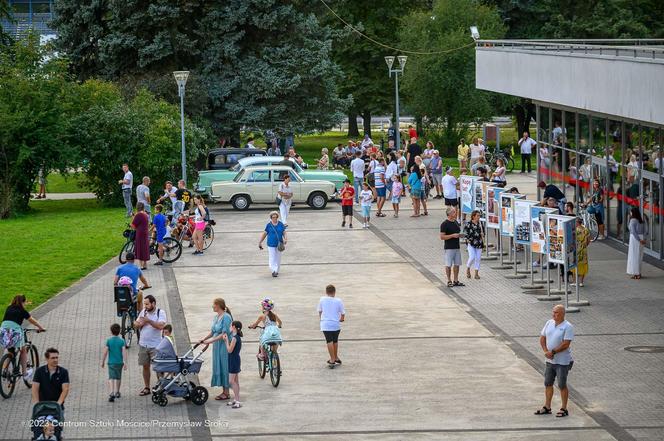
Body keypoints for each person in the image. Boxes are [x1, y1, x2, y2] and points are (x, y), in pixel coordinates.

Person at [535, 305, 574, 418]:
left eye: (556, 312)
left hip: (562, 362)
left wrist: (553, 352)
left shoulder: (568, 327)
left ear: (562, 314)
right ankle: (547, 406)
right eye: (553, 312)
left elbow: (566, 344)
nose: (553, 314)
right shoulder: (549, 323)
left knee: (562, 384)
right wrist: (546, 351)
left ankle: (564, 408)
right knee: (548, 383)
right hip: (550, 361)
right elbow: (542, 338)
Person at [0, 295, 46, 381]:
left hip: (3, 331)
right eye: (25, 302)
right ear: (22, 302)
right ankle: (25, 374)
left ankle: (4, 370)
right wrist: (41, 328)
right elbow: (32, 320)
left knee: (10, 350)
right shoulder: (22, 310)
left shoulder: (9, 307)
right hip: (14, 331)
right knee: (23, 350)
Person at [134, 294, 166, 396]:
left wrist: (149, 321)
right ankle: (147, 387)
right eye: (144, 304)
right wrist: (138, 324)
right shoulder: (143, 312)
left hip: (155, 346)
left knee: (159, 367)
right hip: (143, 345)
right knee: (145, 367)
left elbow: (161, 326)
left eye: (147, 304)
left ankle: (161, 387)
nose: (145, 306)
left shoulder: (160, 312)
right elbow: (136, 323)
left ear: (153, 303)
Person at [200, 298, 232, 401]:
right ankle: (224, 391)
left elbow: (224, 333)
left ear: (218, 305)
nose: (212, 306)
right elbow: (213, 332)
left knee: (224, 365)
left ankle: (226, 392)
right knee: (219, 365)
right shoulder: (216, 317)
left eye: (214, 305)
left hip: (224, 345)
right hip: (217, 345)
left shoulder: (226, 317)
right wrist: (204, 339)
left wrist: (210, 341)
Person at [32, 348, 69, 415]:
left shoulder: (63, 372)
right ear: (47, 359)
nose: (55, 360)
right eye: (52, 358)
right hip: (42, 406)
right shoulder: (39, 371)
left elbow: (65, 389)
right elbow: (35, 388)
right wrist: (37, 404)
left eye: (56, 358)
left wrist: (58, 404)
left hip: (57, 407)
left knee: (57, 425)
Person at [318, 284, 345, 367]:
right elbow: (343, 313)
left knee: (329, 341)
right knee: (335, 341)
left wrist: (321, 319)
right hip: (335, 324)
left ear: (326, 292)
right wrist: (341, 319)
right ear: (334, 292)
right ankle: (336, 357)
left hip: (326, 324)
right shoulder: (339, 301)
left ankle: (332, 359)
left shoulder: (322, 299)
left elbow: (320, 311)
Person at [101, 323, 127, 402]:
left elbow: (105, 352)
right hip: (119, 362)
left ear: (111, 331)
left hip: (111, 362)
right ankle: (117, 392)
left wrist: (102, 361)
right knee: (118, 377)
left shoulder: (109, 341)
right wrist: (125, 362)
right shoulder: (122, 341)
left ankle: (111, 392)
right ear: (119, 332)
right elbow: (124, 352)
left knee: (111, 377)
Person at [258, 211, 287, 277]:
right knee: (272, 257)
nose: (275, 219)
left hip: (279, 244)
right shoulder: (268, 225)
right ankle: (273, 270)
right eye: (273, 217)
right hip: (271, 244)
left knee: (278, 258)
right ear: (271, 218)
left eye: (276, 217)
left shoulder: (280, 224)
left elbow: (284, 232)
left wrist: (285, 239)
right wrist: (260, 242)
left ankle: (276, 270)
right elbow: (264, 234)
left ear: (277, 217)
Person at [440, 207, 464, 287]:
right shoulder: (444, 224)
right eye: (454, 212)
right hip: (449, 247)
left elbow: (457, 232)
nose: (455, 213)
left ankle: (456, 280)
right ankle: (449, 280)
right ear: (449, 214)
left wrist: (460, 235)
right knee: (448, 264)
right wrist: (452, 235)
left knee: (457, 264)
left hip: (457, 246)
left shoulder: (456, 222)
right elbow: (442, 237)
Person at [221, 321, 243, 408]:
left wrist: (226, 341)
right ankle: (236, 399)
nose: (230, 327)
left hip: (234, 360)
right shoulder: (236, 337)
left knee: (231, 381)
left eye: (231, 325)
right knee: (236, 381)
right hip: (234, 359)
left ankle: (237, 401)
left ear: (233, 327)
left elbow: (229, 350)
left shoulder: (234, 338)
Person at [626, 207, 648, 279]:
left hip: (635, 239)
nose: (630, 213)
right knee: (639, 256)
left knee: (634, 256)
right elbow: (645, 230)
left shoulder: (632, 220)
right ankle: (639, 273)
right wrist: (643, 239)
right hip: (641, 238)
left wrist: (639, 240)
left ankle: (636, 273)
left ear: (633, 213)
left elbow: (632, 231)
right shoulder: (641, 220)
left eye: (631, 212)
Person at [464, 210, 484, 280]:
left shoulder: (480, 223)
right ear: (473, 216)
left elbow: (483, 232)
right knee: (472, 257)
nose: (479, 217)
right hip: (471, 243)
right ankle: (468, 268)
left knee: (478, 258)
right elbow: (465, 233)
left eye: (479, 216)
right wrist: (467, 240)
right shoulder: (468, 224)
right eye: (477, 216)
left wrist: (482, 235)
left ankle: (476, 273)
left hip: (479, 243)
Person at [131, 202, 150, 269]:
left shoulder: (138, 215)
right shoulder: (145, 214)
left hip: (140, 233)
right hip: (145, 232)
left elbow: (133, 225)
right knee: (144, 247)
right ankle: (145, 264)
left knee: (140, 248)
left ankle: (141, 265)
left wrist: (133, 217)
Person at [573, 217, 590, 287]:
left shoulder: (575, 230)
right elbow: (589, 240)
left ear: (577, 222)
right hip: (584, 250)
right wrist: (584, 246)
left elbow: (572, 240)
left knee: (574, 265)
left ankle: (574, 281)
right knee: (583, 265)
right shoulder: (586, 229)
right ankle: (581, 282)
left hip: (576, 249)